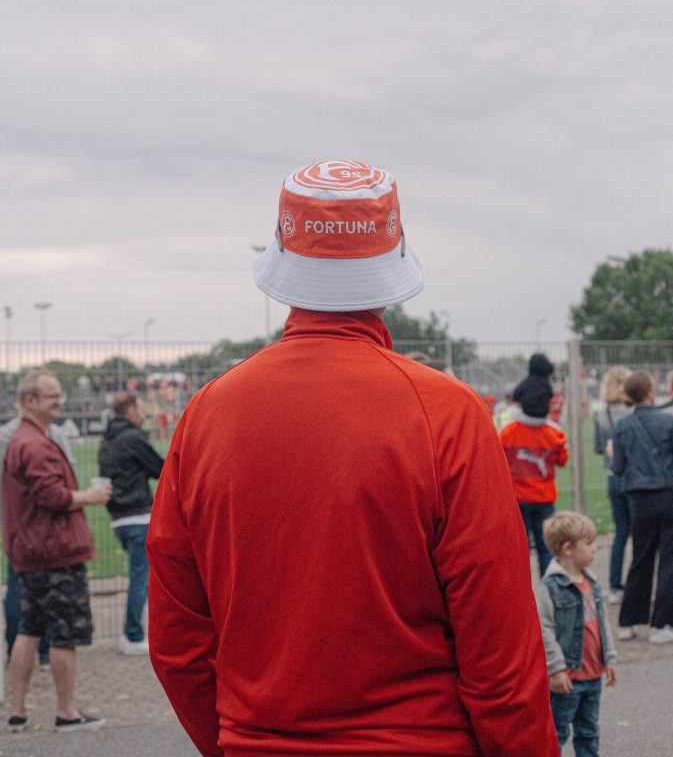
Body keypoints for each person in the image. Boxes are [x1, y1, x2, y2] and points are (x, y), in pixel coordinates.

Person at [147, 159, 558, 757]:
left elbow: (179, 641)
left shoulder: (208, 413)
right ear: (393, 256)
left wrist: (235, 739)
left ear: (284, 252)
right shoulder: (447, 412)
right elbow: (502, 653)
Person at [2, 370, 111, 733]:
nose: (60, 400)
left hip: (33, 552)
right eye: (52, 395)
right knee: (65, 633)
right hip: (55, 551)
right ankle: (66, 714)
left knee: (29, 629)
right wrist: (90, 497)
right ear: (30, 400)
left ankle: (17, 710)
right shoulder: (35, 444)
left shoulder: (25, 438)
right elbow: (52, 496)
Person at [536, 511, 617, 756]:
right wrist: (556, 668)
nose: (595, 548)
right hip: (567, 679)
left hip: (592, 676)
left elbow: (602, 622)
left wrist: (610, 657)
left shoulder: (590, 581)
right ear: (569, 548)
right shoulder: (549, 588)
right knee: (557, 733)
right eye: (589, 544)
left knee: (589, 732)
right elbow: (544, 631)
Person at [1, 411, 75, 665]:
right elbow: (66, 482)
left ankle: (16, 651)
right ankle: (44, 654)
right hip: (50, 532)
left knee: (23, 597)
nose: (58, 404)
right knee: (54, 604)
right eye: (52, 396)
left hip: (18, 527)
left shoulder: (8, 435)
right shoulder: (49, 436)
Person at [98, 390, 164, 655]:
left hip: (118, 520)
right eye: (140, 408)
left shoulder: (107, 440)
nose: (143, 413)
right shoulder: (133, 438)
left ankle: (132, 632)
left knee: (139, 575)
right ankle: (133, 635)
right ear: (130, 411)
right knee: (141, 578)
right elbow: (161, 469)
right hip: (139, 516)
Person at [612, 369, 673, 644]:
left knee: (640, 558)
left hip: (639, 498)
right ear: (650, 392)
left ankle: (628, 621)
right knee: (668, 560)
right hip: (667, 493)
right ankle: (661, 624)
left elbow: (618, 466)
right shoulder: (667, 422)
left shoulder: (624, 426)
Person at [499, 354, 569, 575]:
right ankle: (549, 590)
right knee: (546, 549)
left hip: (518, 499)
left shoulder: (509, 432)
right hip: (544, 497)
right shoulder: (554, 434)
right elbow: (562, 461)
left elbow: (499, 461)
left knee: (520, 550)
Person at [592, 366, 632, 603]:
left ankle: (615, 586)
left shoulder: (601, 414)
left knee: (621, 532)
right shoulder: (630, 413)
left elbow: (598, 447)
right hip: (632, 477)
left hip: (612, 477)